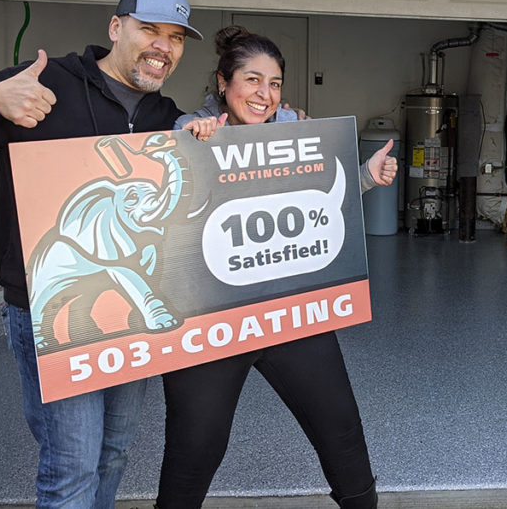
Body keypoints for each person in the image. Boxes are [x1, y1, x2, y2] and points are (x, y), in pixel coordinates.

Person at [0, 0, 203, 507]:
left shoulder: (164, 119)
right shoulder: (43, 83)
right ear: (116, 28)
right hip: (51, 314)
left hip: (128, 314)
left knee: (113, 451)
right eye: (150, 30)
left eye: (176, 37)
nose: (164, 46)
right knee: (70, 467)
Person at [156, 26, 396, 508]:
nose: (265, 94)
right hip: (212, 320)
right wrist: (188, 148)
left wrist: (366, 177)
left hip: (291, 309)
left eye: (275, 82)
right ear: (223, 82)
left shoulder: (294, 128)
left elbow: (319, 199)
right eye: (252, 80)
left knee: (340, 428)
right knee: (194, 450)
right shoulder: (190, 127)